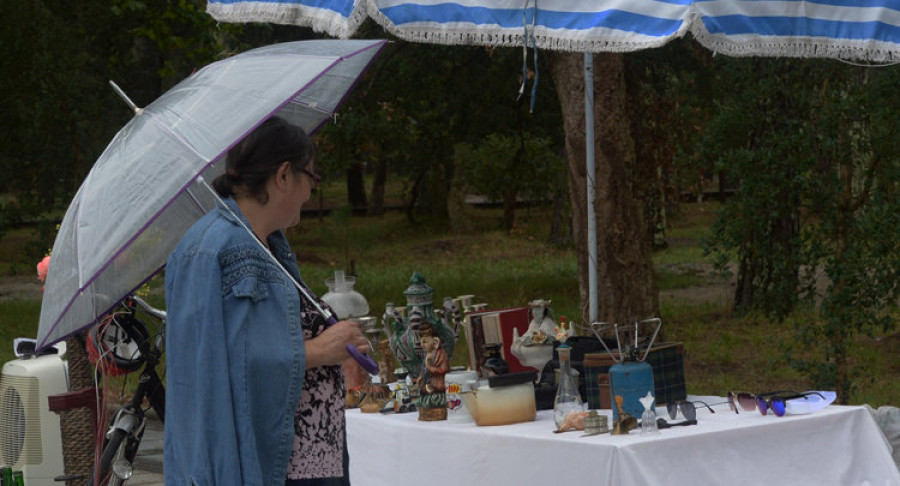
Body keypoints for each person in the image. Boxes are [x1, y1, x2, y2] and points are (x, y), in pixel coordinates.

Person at [164, 116, 367, 485]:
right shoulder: (213, 251)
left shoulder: (268, 244)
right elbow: (210, 368)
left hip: (307, 461)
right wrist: (321, 350)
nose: (310, 192)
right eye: (312, 178)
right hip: (264, 467)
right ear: (284, 175)